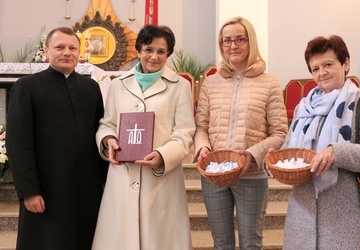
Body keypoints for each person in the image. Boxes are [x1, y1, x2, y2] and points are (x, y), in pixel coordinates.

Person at [275, 35, 360, 249]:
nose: (322, 73)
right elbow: (289, 150)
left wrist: (337, 152)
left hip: (348, 221)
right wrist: (276, 162)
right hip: (302, 218)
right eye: (315, 68)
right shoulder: (304, 108)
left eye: (328, 64)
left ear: (345, 63)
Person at [92, 25, 195, 250]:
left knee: (159, 240)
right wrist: (108, 140)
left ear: (168, 54)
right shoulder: (118, 84)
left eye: (161, 51)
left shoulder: (180, 86)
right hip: (123, 174)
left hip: (160, 178)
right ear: (139, 51)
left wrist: (162, 155)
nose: (154, 56)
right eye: (148, 49)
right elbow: (107, 123)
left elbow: (185, 132)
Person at [6, 27, 107, 250]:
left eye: (72, 48)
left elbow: (100, 133)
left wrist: (104, 180)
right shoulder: (27, 87)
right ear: (47, 51)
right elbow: (18, 143)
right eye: (59, 47)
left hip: (86, 187)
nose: (66, 53)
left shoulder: (90, 87)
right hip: (47, 187)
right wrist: (29, 190)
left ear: (80, 53)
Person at [194, 16, 288, 249]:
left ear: (250, 42)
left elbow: (279, 132)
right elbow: (201, 127)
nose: (233, 45)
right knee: (221, 242)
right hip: (214, 174)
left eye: (239, 39)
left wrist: (251, 154)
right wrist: (203, 147)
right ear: (221, 45)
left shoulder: (269, 83)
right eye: (226, 41)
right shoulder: (211, 83)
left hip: (252, 175)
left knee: (251, 243)